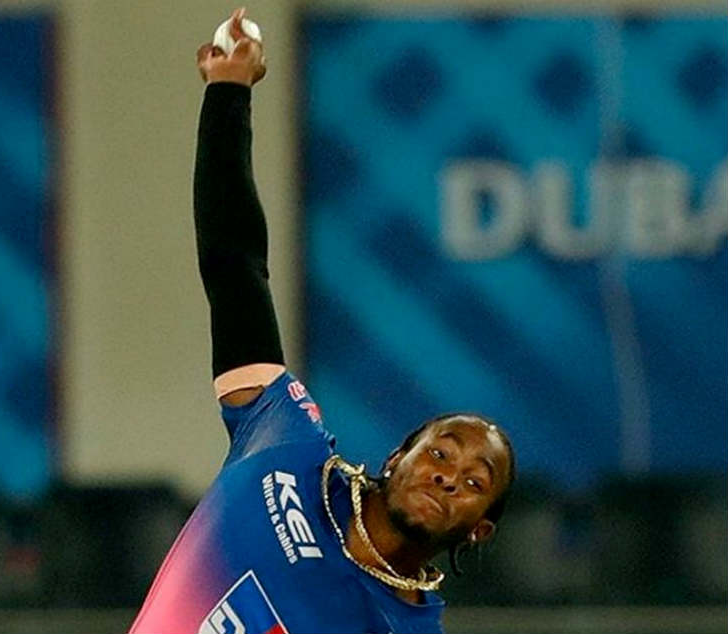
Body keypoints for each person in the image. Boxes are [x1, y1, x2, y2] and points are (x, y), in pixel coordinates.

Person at [129, 9, 516, 634]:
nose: (449, 477)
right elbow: (235, 266)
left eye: (475, 482)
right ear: (398, 456)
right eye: (441, 453)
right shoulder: (284, 439)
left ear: (480, 530)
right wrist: (228, 91)